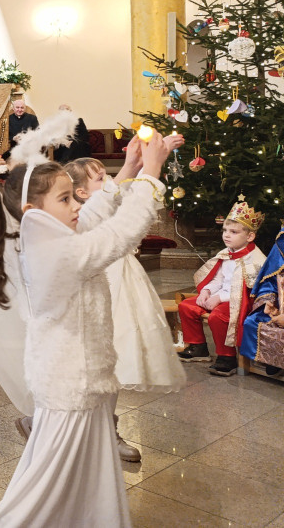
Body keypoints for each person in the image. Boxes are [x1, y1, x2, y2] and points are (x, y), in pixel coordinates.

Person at [0, 132, 172, 528]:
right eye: (65, 199)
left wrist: (132, 167)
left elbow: (92, 218)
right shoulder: (56, 251)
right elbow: (119, 236)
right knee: (43, 489)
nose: (76, 206)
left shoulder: (53, 235)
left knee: (85, 481)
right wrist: (152, 174)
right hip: (72, 385)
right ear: (32, 209)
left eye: (74, 195)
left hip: (83, 382)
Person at [65, 153, 186, 463]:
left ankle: (108, 428)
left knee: (118, 359)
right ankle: (78, 429)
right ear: (81, 192)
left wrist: (144, 163)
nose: (108, 182)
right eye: (100, 178)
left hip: (125, 281)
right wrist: (144, 167)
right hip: (101, 282)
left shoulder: (111, 199)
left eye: (107, 175)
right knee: (91, 363)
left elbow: (136, 204)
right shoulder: (82, 213)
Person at [178, 199, 266, 376]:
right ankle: (198, 347)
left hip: (240, 302)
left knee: (218, 317)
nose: (226, 235)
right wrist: (207, 291)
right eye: (225, 230)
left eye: (233, 232)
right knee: (186, 306)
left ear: (250, 236)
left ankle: (227, 358)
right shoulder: (226, 253)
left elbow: (243, 291)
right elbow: (218, 278)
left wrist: (219, 298)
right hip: (220, 296)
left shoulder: (256, 260)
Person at [240, 227, 284, 373]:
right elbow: (269, 281)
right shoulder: (281, 243)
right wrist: (268, 302)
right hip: (280, 309)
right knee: (253, 322)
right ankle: (274, 360)